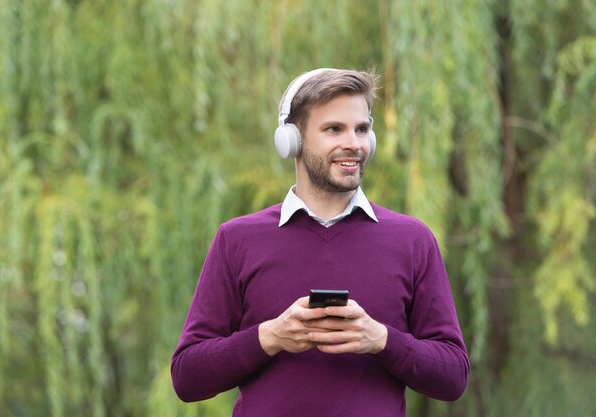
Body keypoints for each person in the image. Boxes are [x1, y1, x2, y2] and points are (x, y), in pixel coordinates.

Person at [171, 68, 469, 417]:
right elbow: (187, 376)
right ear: (292, 140)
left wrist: (382, 340)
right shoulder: (236, 240)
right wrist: (269, 337)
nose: (354, 144)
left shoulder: (413, 240)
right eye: (333, 129)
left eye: (362, 129)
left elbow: (453, 376)